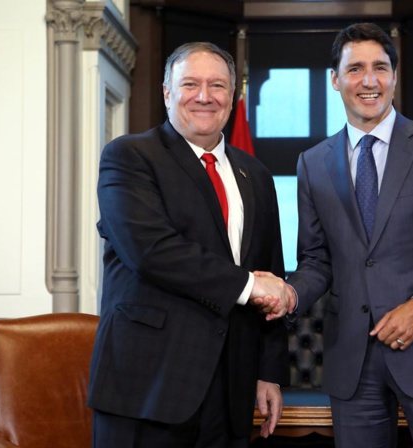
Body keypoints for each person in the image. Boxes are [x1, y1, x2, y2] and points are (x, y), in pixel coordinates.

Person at [285, 23, 413, 448]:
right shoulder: (312, 163)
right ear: (335, 79)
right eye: (356, 69)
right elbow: (316, 261)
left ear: (394, 77)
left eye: (380, 68)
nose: (369, 81)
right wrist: (287, 294)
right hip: (351, 361)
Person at [87, 42, 293, 448]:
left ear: (231, 98)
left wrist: (268, 372)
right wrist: (251, 286)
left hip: (231, 388)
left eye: (217, 85)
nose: (204, 96)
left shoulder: (256, 173)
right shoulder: (129, 157)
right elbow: (151, 252)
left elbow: (272, 269)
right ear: (167, 92)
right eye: (190, 84)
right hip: (149, 385)